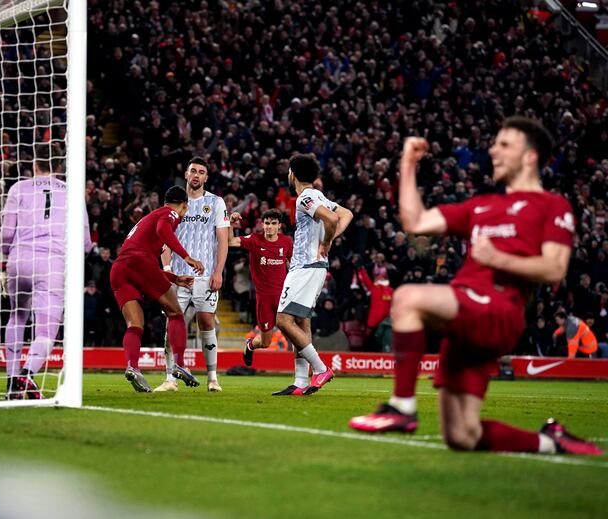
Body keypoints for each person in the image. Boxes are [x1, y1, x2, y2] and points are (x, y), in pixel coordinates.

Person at [350, 117, 603, 456]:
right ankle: (550, 441)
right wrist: (407, 164)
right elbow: (416, 221)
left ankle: (401, 406)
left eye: (504, 145)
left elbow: (554, 267)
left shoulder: (553, 205)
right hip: (467, 318)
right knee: (462, 435)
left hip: (498, 309)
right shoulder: (482, 206)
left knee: (408, 297)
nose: (493, 151)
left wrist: (497, 257)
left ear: (530, 156)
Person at [110, 186, 205, 392]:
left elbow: (142, 266)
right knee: (175, 313)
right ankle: (179, 363)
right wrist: (187, 257)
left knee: (134, 325)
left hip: (119, 269)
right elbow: (162, 232)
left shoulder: (147, 218)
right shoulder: (168, 213)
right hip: (139, 263)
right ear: (183, 206)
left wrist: (175, 278)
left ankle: (133, 367)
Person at [272, 154, 353, 396]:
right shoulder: (319, 196)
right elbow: (346, 213)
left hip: (306, 266)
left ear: (292, 175)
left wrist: (326, 242)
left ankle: (320, 368)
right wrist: (329, 240)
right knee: (301, 321)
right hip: (313, 267)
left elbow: (332, 218)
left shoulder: (305, 197)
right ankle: (299, 381)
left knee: (283, 321)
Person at [157, 157, 229, 392]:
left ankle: (212, 378)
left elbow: (222, 240)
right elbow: (165, 239)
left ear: (206, 178)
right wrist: (167, 270)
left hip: (205, 275)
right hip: (178, 275)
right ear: (186, 175)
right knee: (172, 323)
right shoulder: (175, 202)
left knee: (206, 321)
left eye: (201, 172)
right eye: (193, 171)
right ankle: (170, 379)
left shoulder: (216, 203)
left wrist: (218, 272)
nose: (197, 175)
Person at [0, 143, 67, 399]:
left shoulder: (18, 188)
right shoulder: (70, 193)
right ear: (60, 167)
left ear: (33, 165)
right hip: (51, 262)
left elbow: (6, 234)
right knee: (46, 330)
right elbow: (84, 242)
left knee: (16, 317)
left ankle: (10, 382)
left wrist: (5, 262)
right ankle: (25, 376)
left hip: (19, 259)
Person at [227, 209, 292, 366]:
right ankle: (250, 346)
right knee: (265, 342)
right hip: (264, 299)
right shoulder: (255, 240)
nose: (269, 227)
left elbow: (291, 263)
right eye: (267, 223)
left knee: (295, 329)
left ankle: (304, 372)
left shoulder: (286, 242)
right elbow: (230, 241)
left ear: (279, 226)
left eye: (273, 223)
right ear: (262, 225)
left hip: (283, 296)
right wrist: (230, 223)